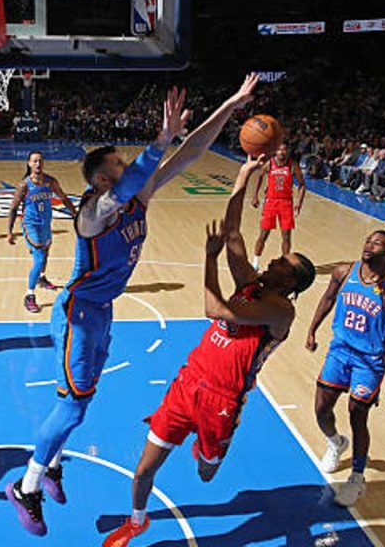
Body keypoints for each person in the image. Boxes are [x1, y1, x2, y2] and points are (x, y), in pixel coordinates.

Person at [6, 75, 259, 537]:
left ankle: (54, 464)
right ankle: (27, 486)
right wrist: (160, 138)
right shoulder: (93, 212)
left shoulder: (136, 199)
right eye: (121, 163)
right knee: (73, 409)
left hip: (102, 313)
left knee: (76, 403)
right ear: (104, 178)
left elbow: (191, 154)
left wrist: (231, 103)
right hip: (77, 315)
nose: (130, 166)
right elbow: (135, 180)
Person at [102, 157, 316, 547]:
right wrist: (244, 174)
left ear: (292, 282)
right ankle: (136, 521)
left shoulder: (281, 310)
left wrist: (210, 258)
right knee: (143, 469)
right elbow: (233, 231)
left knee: (205, 473)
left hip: (223, 399)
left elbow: (215, 309)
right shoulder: (251, 283)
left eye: (282, 263)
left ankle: (212, 443)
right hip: (188, 383)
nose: (271, 259)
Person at [304, 230, 385, 507]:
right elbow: (328, 299)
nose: (368, 246)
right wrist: (312, 329)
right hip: (339, 352)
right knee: (320, 409)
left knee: (357, 414)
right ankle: (336, 442)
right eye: (367, 240)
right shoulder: (344, 271)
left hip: (369, 362)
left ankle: (356, 478)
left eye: (377, 243)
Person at [7, 151, 77, 313]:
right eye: (34, 161)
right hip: (30, 224)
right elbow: (13, 208)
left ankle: (42, 278)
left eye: (40, 161)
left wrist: (75, 213)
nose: (38, 164)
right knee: (38, 259)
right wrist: (9, 232)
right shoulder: (24, 185)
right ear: (29, 164)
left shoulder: (50, 181)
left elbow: (64, 198)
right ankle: (29, 295)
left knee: (46, 253)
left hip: (45, 223)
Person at [250, 143, 305, 264]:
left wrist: (299, 203)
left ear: (288, 151)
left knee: (286, 236)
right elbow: (259, 176)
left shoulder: (293, 165)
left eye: (284, 149)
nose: (282, 152)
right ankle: (255, 262)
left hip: (286, 203)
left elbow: (302, 184)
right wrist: (255, 195)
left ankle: (285, 262)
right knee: (263, 234)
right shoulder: (270, 163)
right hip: (270, 202)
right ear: (275, 151)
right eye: (279, 149)